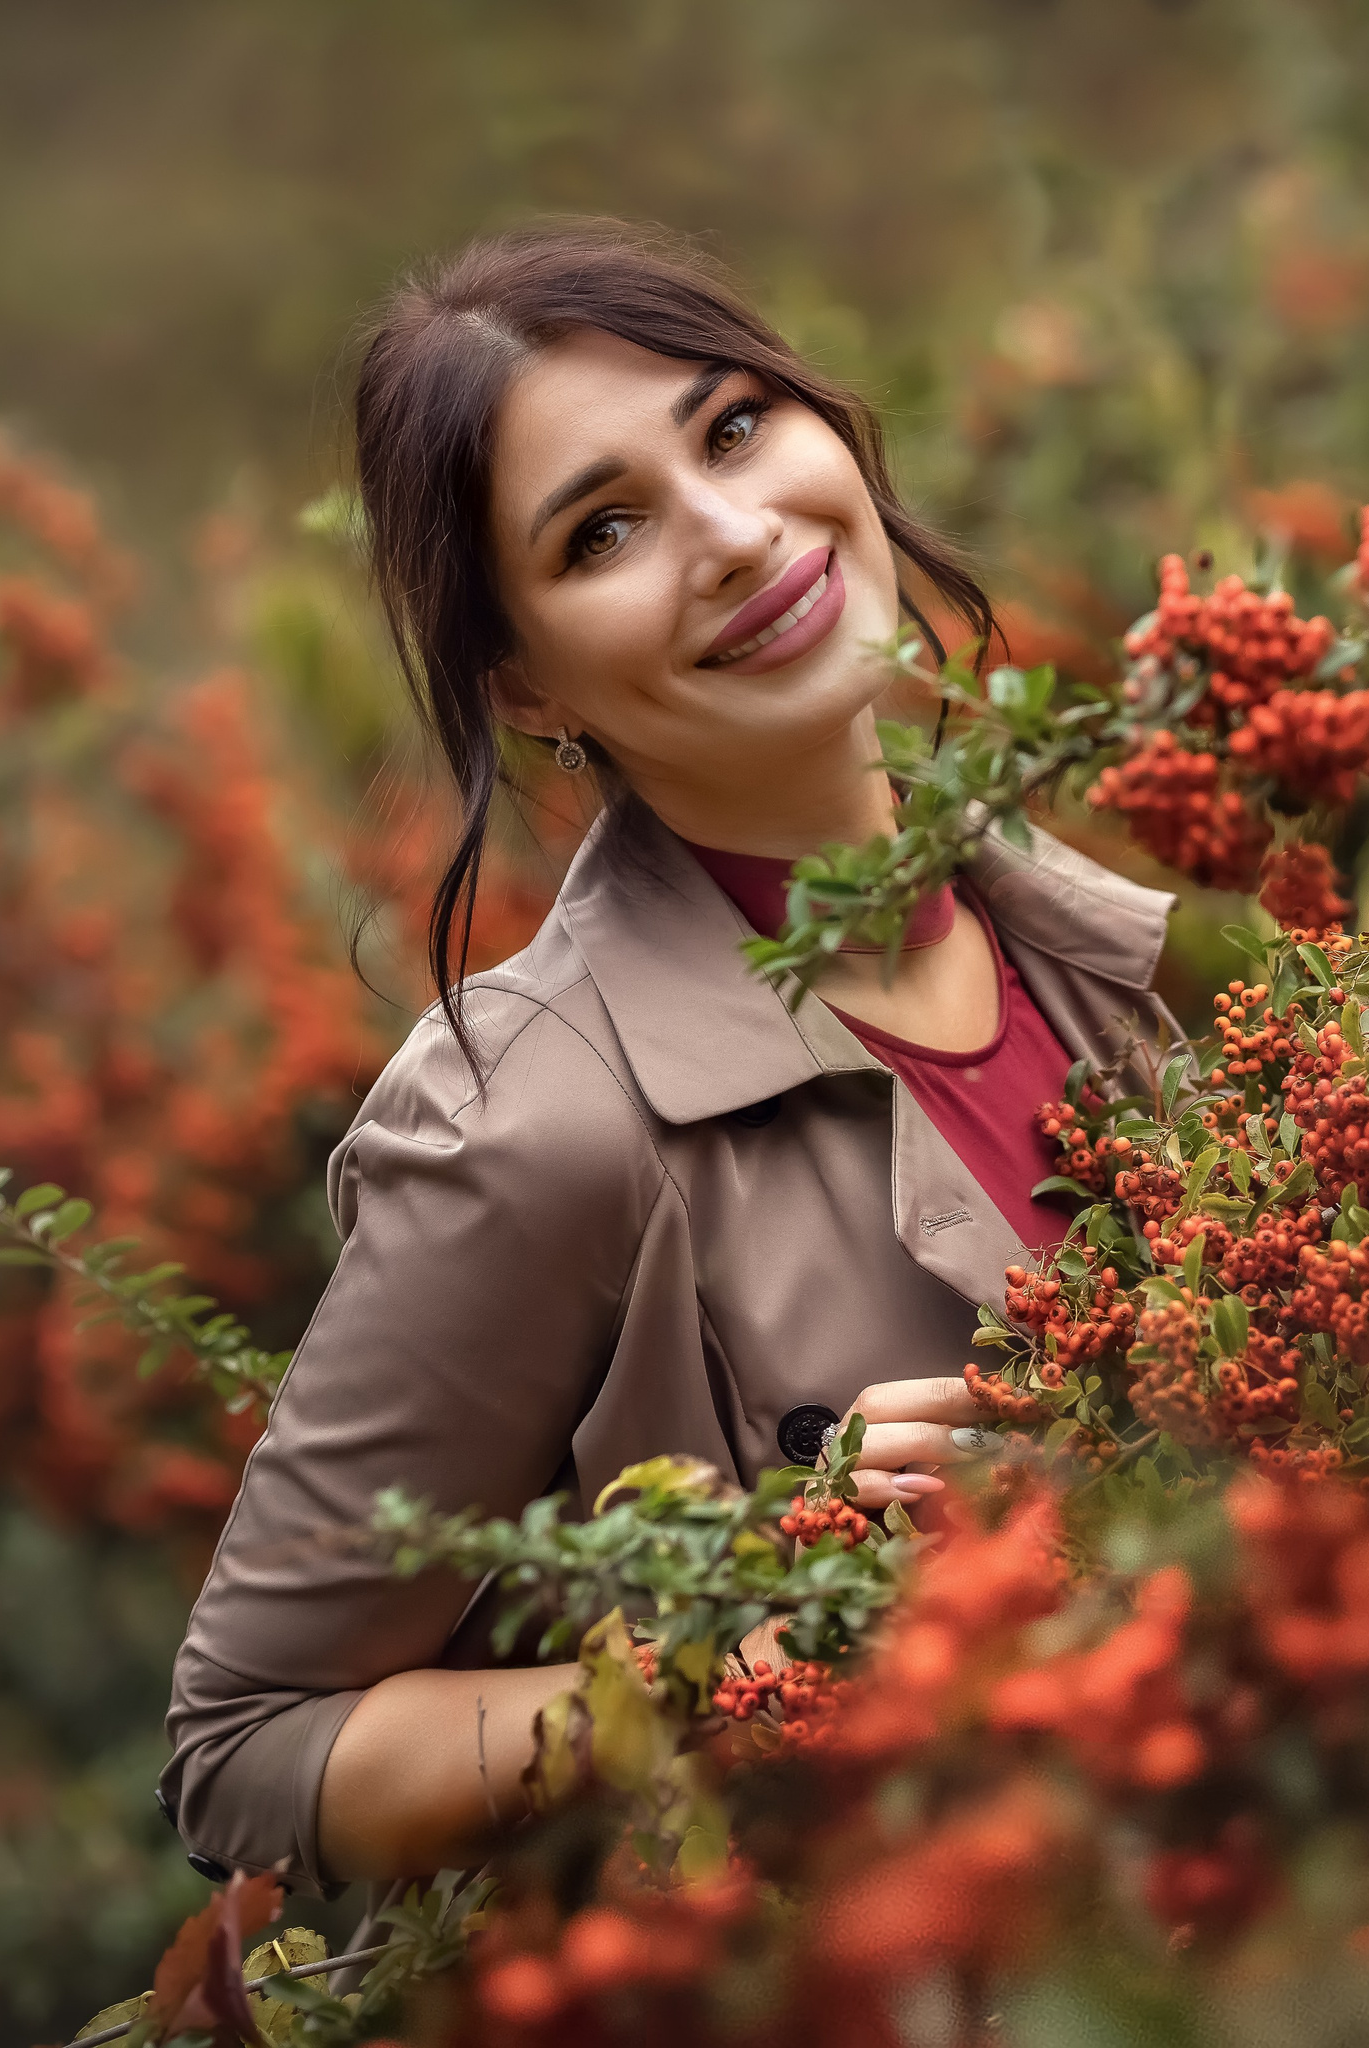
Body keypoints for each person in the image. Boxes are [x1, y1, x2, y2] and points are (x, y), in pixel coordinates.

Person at [159, 221, 1174, 1886]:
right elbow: (246, 1750)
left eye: (732, 427)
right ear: (530, 685)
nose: (729, 530)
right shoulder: (536, 1123)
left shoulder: (1078, 943)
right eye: (604, 529)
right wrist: (760, 1629)